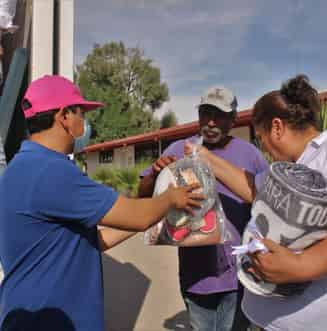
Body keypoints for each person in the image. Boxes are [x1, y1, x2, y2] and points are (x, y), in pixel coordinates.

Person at [185, 75, 327, 331]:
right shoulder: (292, 167)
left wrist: (301, 266)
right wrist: (206, 158)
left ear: (277, 127)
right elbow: (254, 189)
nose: (263, 147)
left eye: (260, 137)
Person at [0, 75, 203, 331]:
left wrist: (152, 213)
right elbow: (137, 215)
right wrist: (171, 197)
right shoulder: (51, 171)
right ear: (64, 116)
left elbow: (90, 241)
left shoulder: (20, 168)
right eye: (81, 113)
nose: (84, 122)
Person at [138, 86, 268, 331]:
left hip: (241, 274)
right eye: (205, 113)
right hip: (197, 276)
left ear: (232, 120)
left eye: (219, 115)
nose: (210, 122)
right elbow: (142, 195)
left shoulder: (250, 155)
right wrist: (155, 174)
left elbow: (269, 205)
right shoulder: (178, 150)